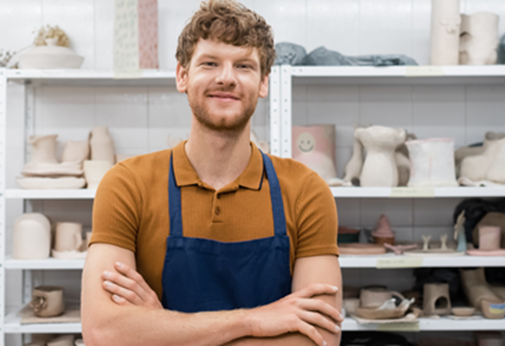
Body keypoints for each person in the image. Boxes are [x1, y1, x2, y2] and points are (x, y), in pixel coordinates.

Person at [81, 1, 342, 345]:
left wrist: (160, 327)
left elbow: (318, 338)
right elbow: (104, 332)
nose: (226, 77)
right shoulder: (127, 184)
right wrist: (253, 321)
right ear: (182, 76)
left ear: (263, 83)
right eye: (210, 63)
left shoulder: (306, 191)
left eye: (244, 66)